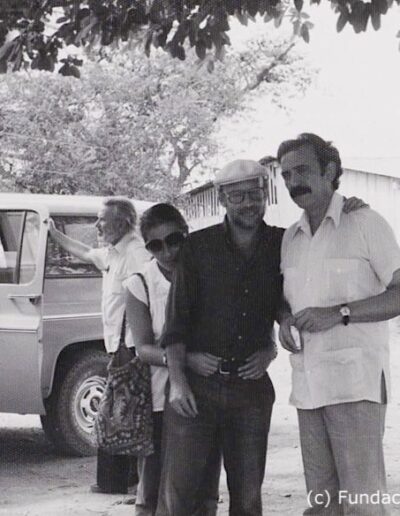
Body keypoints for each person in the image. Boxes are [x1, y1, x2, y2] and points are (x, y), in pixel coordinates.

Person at [277, 133, 400, 515]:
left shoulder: (365, 222)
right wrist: (284, 318)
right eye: (286, 175)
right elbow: (286, 297)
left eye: (302, 170)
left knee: (363, 500)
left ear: (329, 171)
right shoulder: (291, 237)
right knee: (322, 502)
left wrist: (339, 313)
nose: (294, 182)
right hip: (308, 386)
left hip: (355, 384)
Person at [159, 160, 283, 516]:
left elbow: (283, 302)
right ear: (222, 200)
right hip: (197, 388)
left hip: (251, 390)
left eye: (255, 194)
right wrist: (178, 383)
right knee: (181, 495)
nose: (248, 203)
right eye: (237, 196)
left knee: (248, 498)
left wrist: (269, 348)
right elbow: (175, 323)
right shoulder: (198, 247)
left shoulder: (282, 243)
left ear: (265, 194)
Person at [124, 203, 221, 516]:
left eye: (174, 240)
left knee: (203, 486)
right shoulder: (141, 283)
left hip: (205, 394)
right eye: (155, 245)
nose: (166, 251)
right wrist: (185, 360)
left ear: (186, 234)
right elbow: (142, 348)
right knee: (155, 488)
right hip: (158, 400)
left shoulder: (207, 274)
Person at [49, 196, 149, 495]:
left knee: (126, 414)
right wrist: (55, 235)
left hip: (131, 348)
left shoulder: (135, 253)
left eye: (102, 220)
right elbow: (84, 252)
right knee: (116, 414)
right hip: (118, 346)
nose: (97, 225)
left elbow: (146, 299)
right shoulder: (113, 252)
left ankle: (131, 483)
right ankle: (117, 482)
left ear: (122, 222)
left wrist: (134, 346)